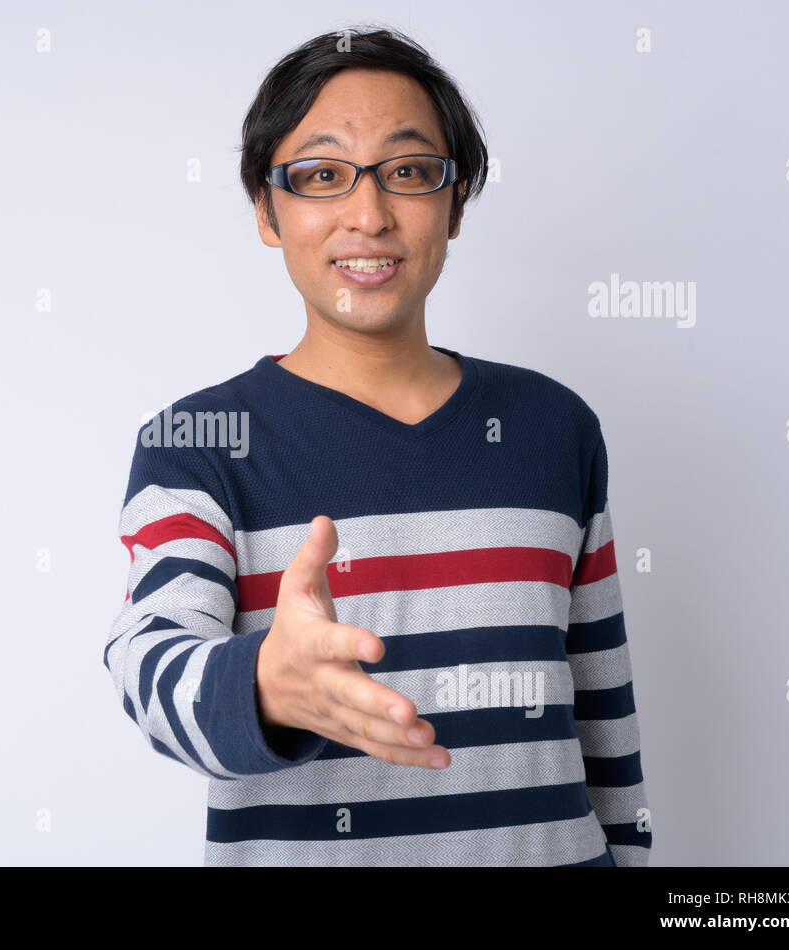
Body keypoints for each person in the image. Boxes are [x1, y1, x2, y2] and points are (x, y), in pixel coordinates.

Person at [103, 25, 651, 866]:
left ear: (455, 202)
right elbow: (151, 663)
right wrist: (266, 684)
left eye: (408, 172)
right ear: (266, 210)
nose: (369, 214)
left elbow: (603, 713)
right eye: (322, 176)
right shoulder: (197, 442)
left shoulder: (554, 426)